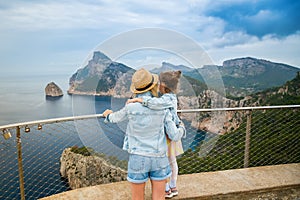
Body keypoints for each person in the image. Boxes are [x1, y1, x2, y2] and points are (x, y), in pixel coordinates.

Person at [102, 68, 186, 200]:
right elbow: (174, 135)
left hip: (138, 158)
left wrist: (107, 115)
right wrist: (181, 127)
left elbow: (115, 118)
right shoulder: (163, 107)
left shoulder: (130, 106)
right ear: (153, 85)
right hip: (159, 158)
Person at [127, 71, 184, 198]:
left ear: (163, 85)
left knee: (169, 161)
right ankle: (171, 186)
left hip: (168, 135)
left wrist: (138, 100)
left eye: (158, 83)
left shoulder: (166, 99)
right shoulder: (170, 97)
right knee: (171, 160)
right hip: (170, 132)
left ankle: (170, 187)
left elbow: (155, 104)